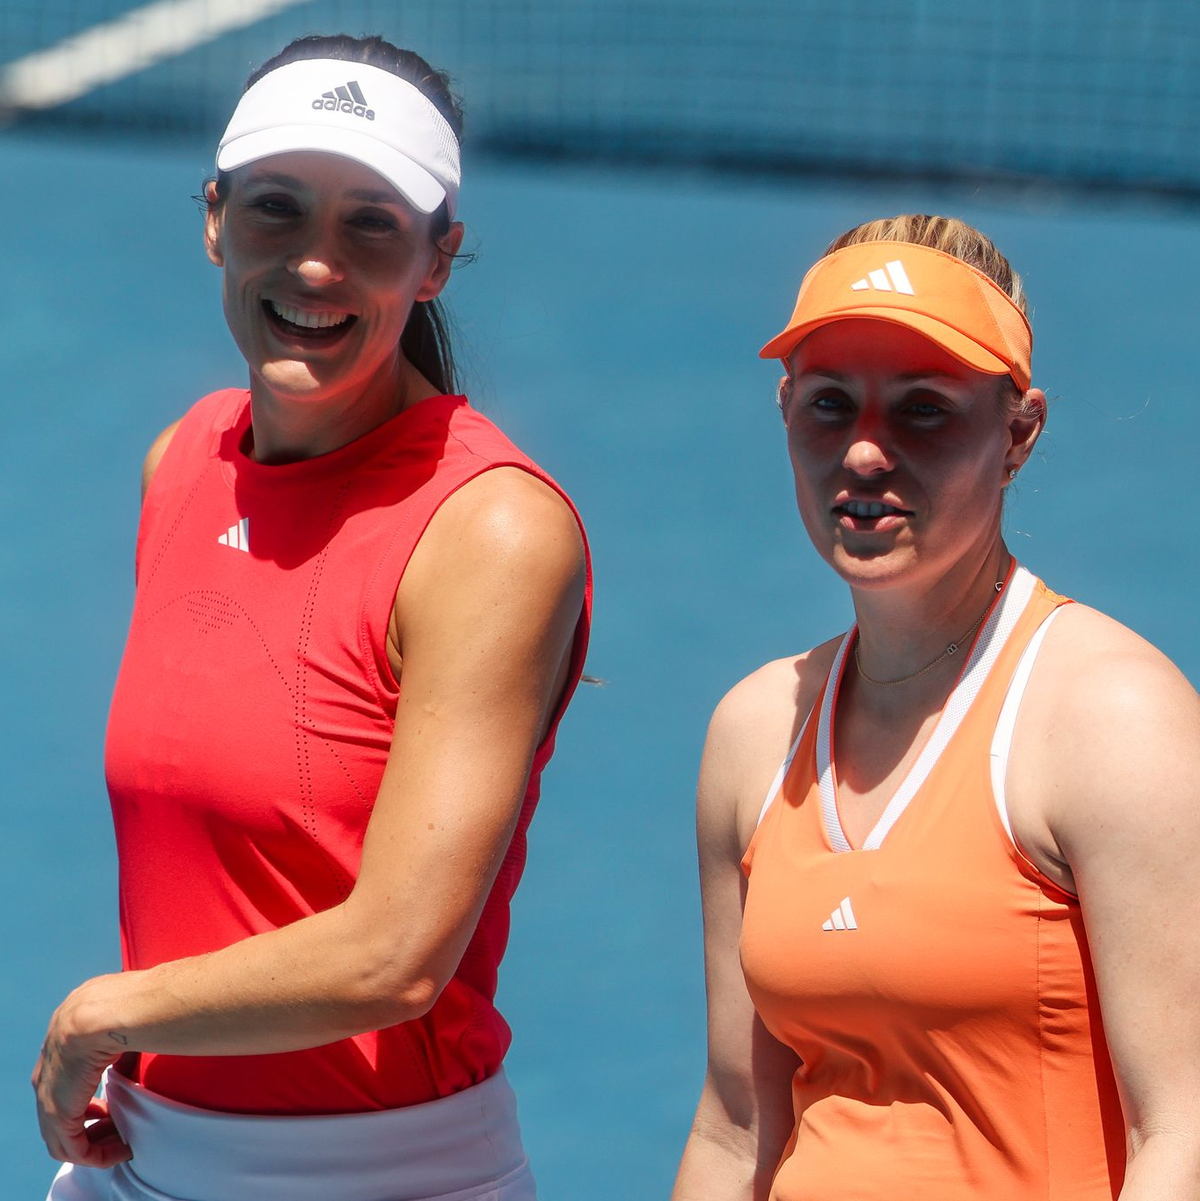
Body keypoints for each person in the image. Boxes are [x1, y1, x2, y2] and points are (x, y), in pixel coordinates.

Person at [35, 34, 591, 1201]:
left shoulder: (492, 532)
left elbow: (395, 956)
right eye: (277, 209)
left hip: (382, 1178)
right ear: (215, 222)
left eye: (371, 225)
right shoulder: (184, 463)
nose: (316, 264)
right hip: (136, 1161)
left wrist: (103, 1016)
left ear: (436, 261)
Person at [672, 214, 1200, 1199]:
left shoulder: (1112, 717)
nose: (866, 452)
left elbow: (1186, 1131)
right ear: (786, 411)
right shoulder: (755, 730)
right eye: (830, 405)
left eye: (924, 410)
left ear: (1019, 433)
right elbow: (736, 1129)